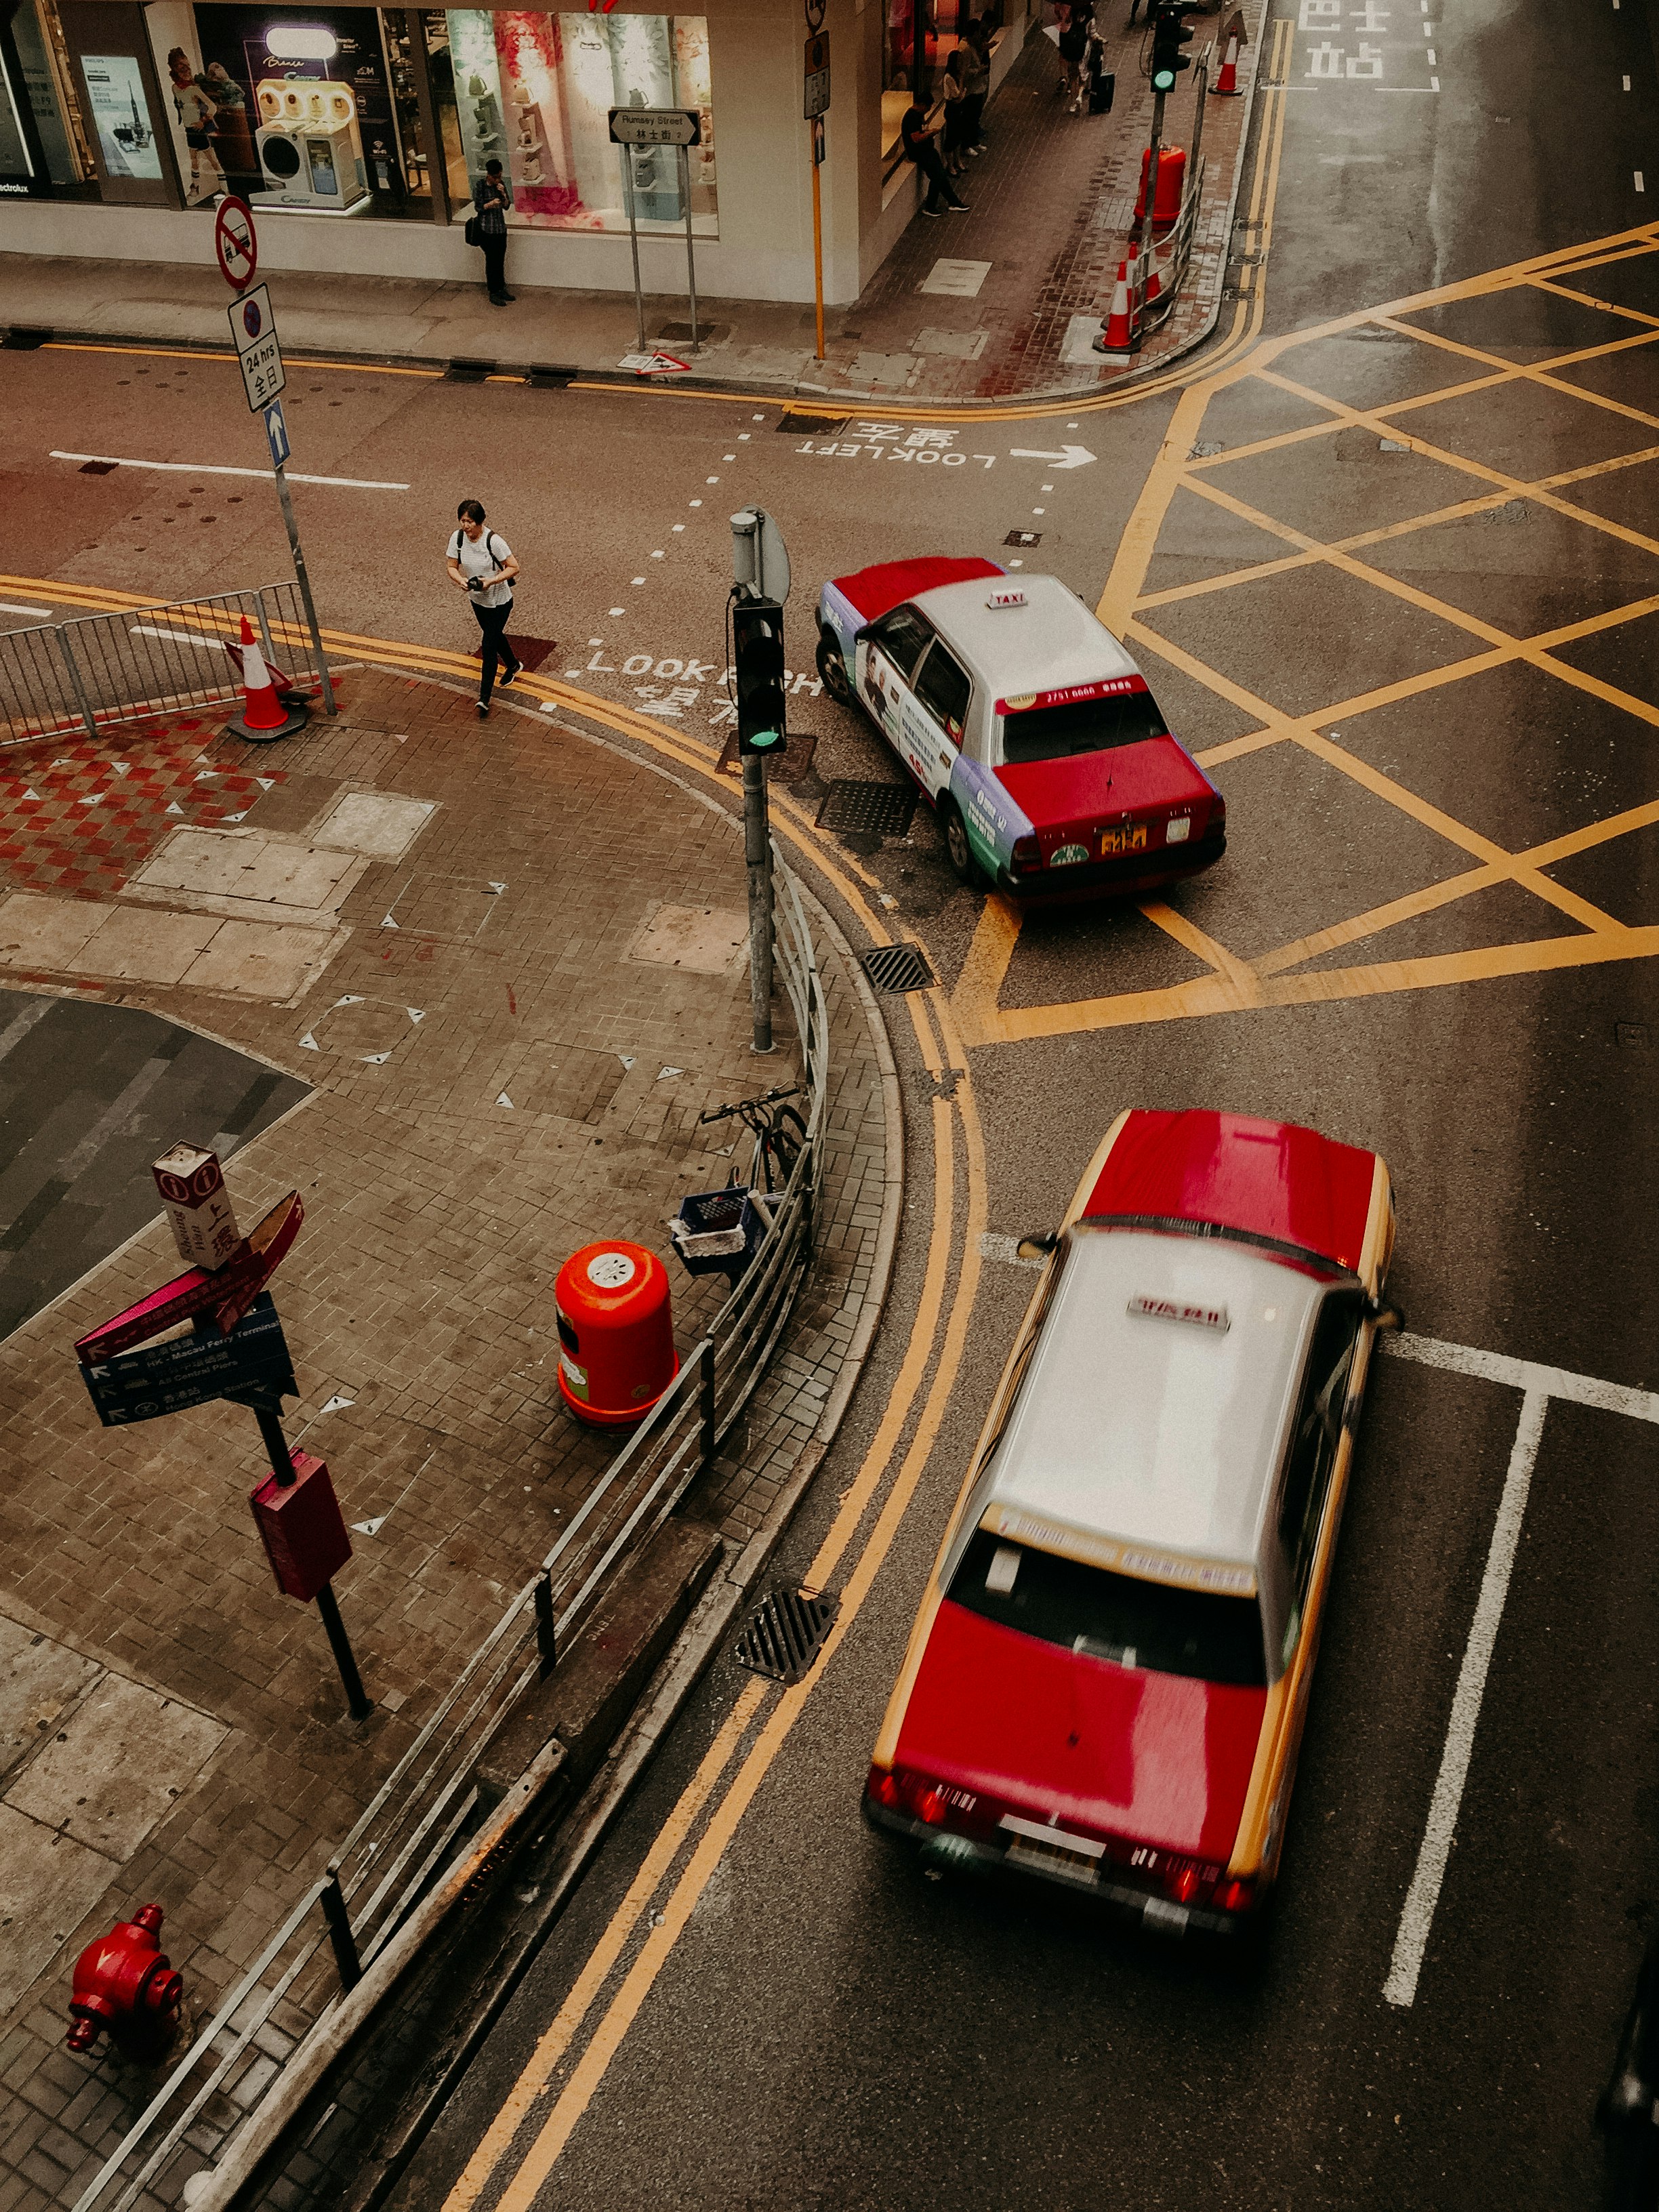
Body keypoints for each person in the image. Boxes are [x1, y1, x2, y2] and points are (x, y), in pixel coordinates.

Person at [445, 499, 521, 719]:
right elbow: (451, 566)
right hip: (477, 601)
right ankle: (514, 665)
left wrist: (492, 581)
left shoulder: (493, 541)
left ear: (480, 522)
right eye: (463, 521)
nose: (466, 526)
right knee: (495, 637)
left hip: (500, 602)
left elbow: (515, 567)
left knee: (488, 646)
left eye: (469, 521)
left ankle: (484, 698)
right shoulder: (457, 538)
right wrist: (460, 580)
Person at [166, 48, 223, 203]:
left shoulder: (194, 89)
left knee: (211, 159)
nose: (186, 69)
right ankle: (196, 187)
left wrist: (203, 121)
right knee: (194, 160)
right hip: (189, 128)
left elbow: (212, 106)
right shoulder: (176, 89)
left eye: (187, 65)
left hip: (198, 128)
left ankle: (225, 189)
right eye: (181, 67)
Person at [900, 100, 967, 218]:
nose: (929, 109)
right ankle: (931, 206)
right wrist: (931, 133)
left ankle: (954, 202)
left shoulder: (917, 115)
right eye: (928, 106)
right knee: (938, 177)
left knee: (941, 176)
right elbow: (916, 138)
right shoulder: (912, 118)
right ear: (922, 105)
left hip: (927, 151)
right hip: (921, 153)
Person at [471, 159, 513, 306]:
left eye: (500, 176)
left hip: (500, 228)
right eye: (495, 177)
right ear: (489, 175)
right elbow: (478, 207)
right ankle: (493, 291)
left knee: (500, 259)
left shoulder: (500, 186)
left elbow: (507, 206)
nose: (498, 180)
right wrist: (490, 205)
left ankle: (501, 288)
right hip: (486, 229)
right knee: (491, 260)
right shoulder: (480, 186)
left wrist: (504, 196)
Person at [960, 19, 992, 155]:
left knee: (975, 116)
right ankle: (967, 144)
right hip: (971, 90)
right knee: (969, 117)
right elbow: (964, 71)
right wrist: (978, 71)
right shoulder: (965, 49)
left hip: (978, 87)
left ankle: (974, 141)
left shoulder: (974, 46)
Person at [941, 43, 970, 176]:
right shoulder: (949, 78)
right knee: (951, 139)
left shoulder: (956, 76)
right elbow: (958, 95)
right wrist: (962, 89)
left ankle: (958, 162)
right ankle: (950, 166)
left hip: (958, 109)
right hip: (952, 109)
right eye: (958, 62)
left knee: (958, 136)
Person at [1057, 3, 1092, 111]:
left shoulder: (1070, 18)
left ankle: (1073, 102)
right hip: (1084, 49)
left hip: (1072, 50)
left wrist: (1063, 51)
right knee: (1083, 75)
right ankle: (1080, 94)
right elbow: (1092, 33)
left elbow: (1063, 35)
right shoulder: (1090, 17)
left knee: (1072, 77)